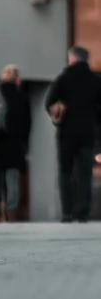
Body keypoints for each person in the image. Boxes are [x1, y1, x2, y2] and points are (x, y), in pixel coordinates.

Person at [45, 46, 101, 222]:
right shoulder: (96, 80)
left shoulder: (63, 78)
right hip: (88, 133)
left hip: (66, 133)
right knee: (85, 174)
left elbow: (49, 102)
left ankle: (67, 213)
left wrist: (59, 115)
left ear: (72, 59)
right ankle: (83, 212)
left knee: (65, 172)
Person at [0, 65, 31, 223]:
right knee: (12, 179)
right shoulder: (22, 97)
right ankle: (11, 213)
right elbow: (27, 124)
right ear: (17, 78)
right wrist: (23, 143)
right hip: (14, 145)